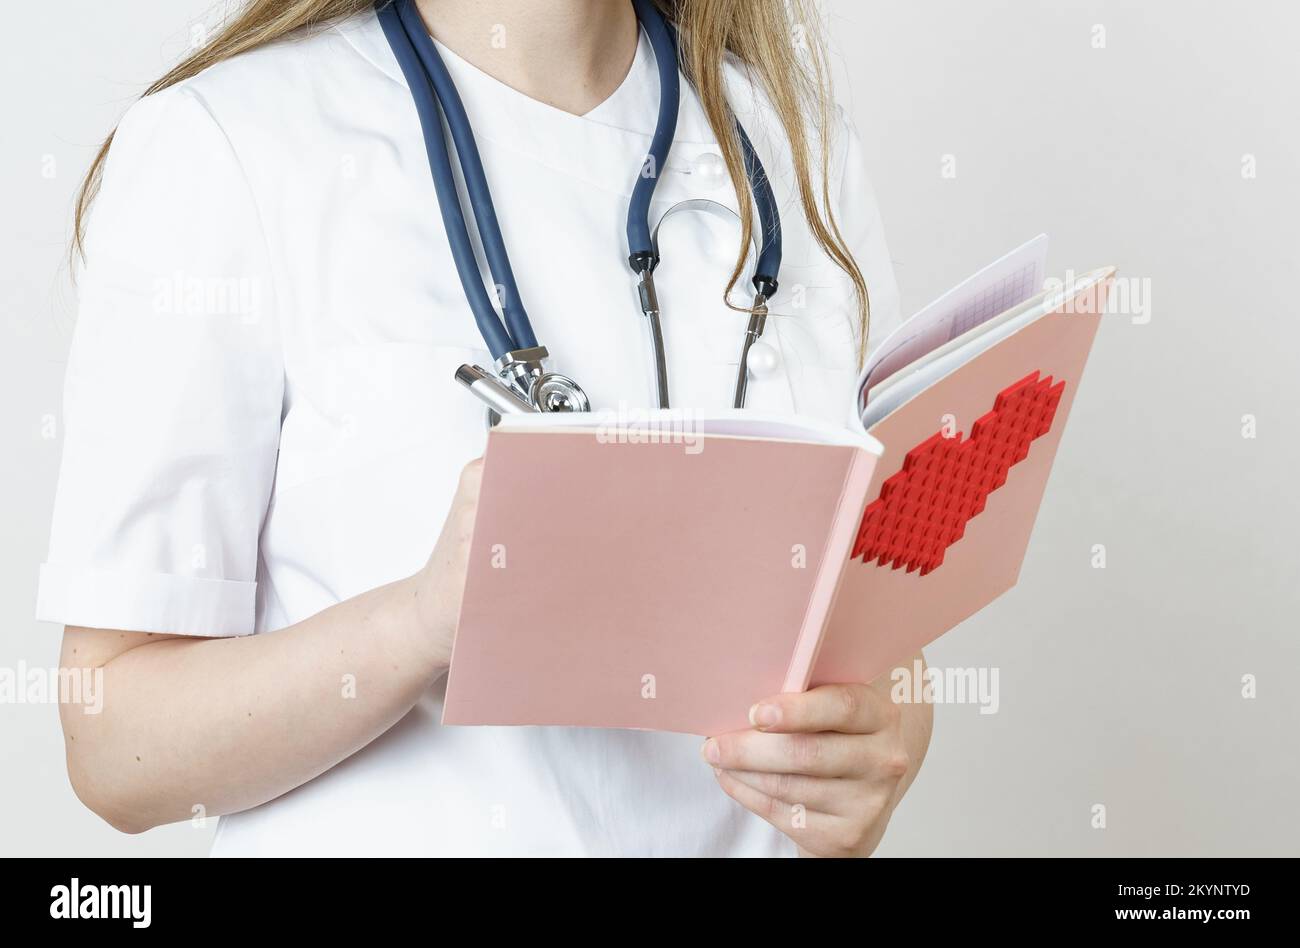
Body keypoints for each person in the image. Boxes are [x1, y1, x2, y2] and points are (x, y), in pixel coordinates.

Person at [40, 0, 932, 857]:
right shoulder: (229, 143)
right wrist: (418, 622)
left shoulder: (798, 147)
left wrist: (871, 753)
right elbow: (114, 748)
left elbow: (885, 646)